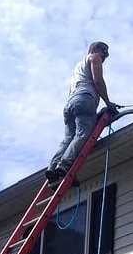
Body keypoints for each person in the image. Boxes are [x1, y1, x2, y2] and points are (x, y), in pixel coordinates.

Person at [46, 41, 118, 183]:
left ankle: (52, 166)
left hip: (70, 104)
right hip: (84, 99)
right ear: (94, 48)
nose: (105, 55)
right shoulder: (94, 57)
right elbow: (98, 81)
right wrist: (109, 103)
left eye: (107, 53)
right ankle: (64, 165)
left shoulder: (77, 68)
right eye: (104, 50)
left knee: (68, 139)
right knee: (83, 134)